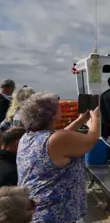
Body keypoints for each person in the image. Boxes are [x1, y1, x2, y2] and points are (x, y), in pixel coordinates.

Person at [17, 92, 100, 222]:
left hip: (35, 210)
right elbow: (92, 139)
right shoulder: (56, 140)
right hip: (54, 214)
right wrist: (96, 118)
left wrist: (80, 121)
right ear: (52, 115)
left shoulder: (28, 137)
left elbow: (60, 136)